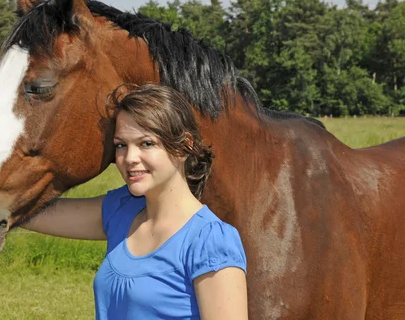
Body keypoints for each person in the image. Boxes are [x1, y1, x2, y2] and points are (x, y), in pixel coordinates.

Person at [23, 84, 248, 319]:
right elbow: (30, 212)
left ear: (184, 147)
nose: (129, 158)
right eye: (121, 145)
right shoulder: (123, 210)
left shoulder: (210, 241)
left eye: (146, 144)